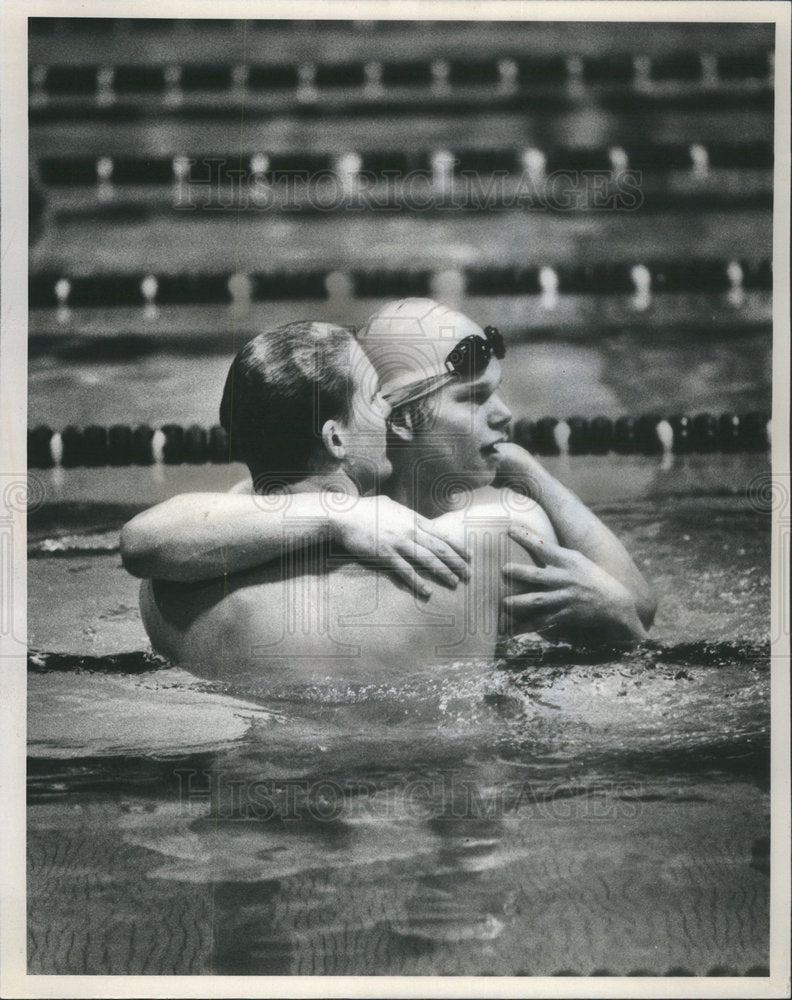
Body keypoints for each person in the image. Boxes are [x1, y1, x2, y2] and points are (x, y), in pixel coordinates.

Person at [124, 307, 653, 685]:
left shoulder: (169, 586)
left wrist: (339, 513)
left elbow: (145, 539)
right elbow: (635, 608)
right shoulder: (491, 538)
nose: (504, 415)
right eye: (378, 399)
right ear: (336, 437)